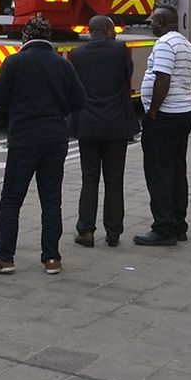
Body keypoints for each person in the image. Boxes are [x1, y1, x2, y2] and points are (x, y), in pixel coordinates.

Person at [0, 15, 86, 275]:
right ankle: (51, 258)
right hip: (55, 137)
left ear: (25, 37)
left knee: (11, 199)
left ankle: (4, 257)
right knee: (51, 200)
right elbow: (79, 101)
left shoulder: (14, 62)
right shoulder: (63, 64)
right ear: (49, 38)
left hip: (24, 137)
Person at [134, 5, 191, 247]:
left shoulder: (164, 44)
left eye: (153, 21)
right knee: (176, 170)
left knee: (159, 173)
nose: (150, 24)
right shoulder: (187, 45)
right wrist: (185, 102)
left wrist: (153, 111)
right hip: (184, 114)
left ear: (161, 22)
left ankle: (163, 229)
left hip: (166, 117)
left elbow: (163, 79)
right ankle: (178, 225)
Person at [68, 15, 137, 248]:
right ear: (108, 29)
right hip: (116, 125)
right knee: (114, 179)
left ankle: (86, 230)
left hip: (88, 125)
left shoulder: (77, 54)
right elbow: (127, 74)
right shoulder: (119, 50)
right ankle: (113, 232)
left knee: (89, 178)